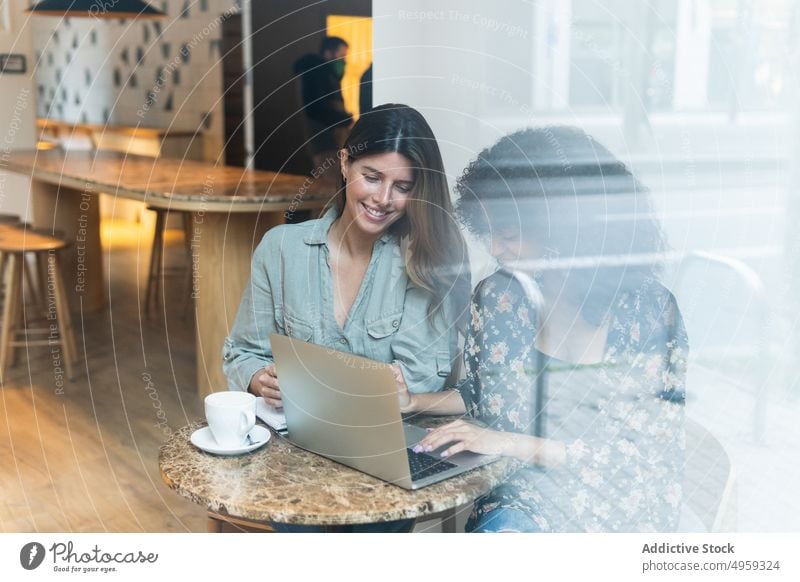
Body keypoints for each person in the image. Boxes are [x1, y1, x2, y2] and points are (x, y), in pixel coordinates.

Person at [399, 126, 688, 533]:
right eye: (490, 233)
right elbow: (485, 393)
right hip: (523, 501)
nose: (495, 249)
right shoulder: (499, 296)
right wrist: (414, 401)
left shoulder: (650, 313)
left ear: (566, 230)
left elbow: (636, 458)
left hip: (621, 509)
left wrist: (510, 443)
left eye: (510, 235)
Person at [223, 103, 470, 532]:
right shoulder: (280, 250)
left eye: (402, 186)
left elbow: (421, 383)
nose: (382, 199)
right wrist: (256, 379)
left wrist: (386, 392)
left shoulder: (425, 263)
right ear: (344, 163)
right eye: (371, 177)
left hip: (383, 461)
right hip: (293, 458)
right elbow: (241, 351)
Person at [293, 36, 353, 169]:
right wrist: (345, 120)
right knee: (331, 185)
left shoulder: (327, 75)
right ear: (328, 53)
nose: (344, 61)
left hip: (330, 142)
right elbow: (316, 108)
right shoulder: (316, 73)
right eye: (341, 55)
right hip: (325, 143)